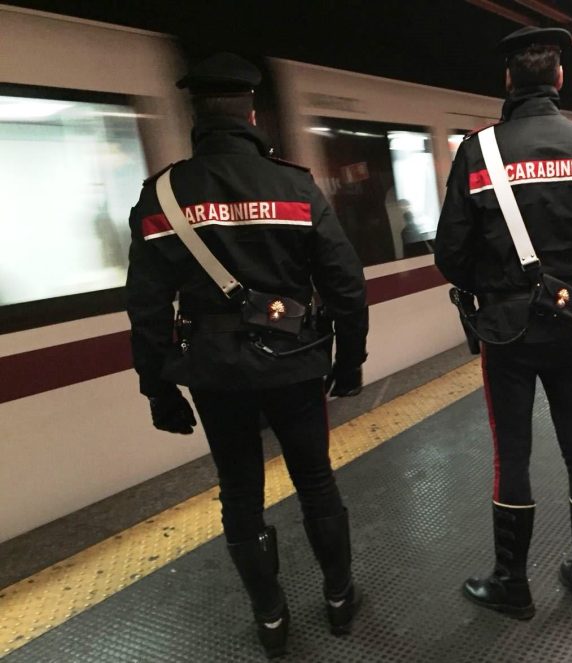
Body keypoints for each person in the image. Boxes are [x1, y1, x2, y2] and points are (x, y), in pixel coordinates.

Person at [126, 53, 368, 658]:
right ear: (252, 112)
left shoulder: (162, 195)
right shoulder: (294, 185)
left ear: (196, 118)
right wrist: (350, 359)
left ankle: (270, 619)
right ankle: (339, 600)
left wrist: (158, 386)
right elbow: (345, 282)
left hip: (214, 373)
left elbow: (146, 306)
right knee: (315, 481)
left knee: (239, 491)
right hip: (296, 360)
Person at [435, 27, 572, 617]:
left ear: (509, 80)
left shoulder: (479, 152)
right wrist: (569, 285)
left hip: (506, 332)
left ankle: (511, 586)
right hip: (570, 326)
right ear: (560, 78)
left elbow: (450, 253)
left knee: (510, 456)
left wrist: (497, 288)